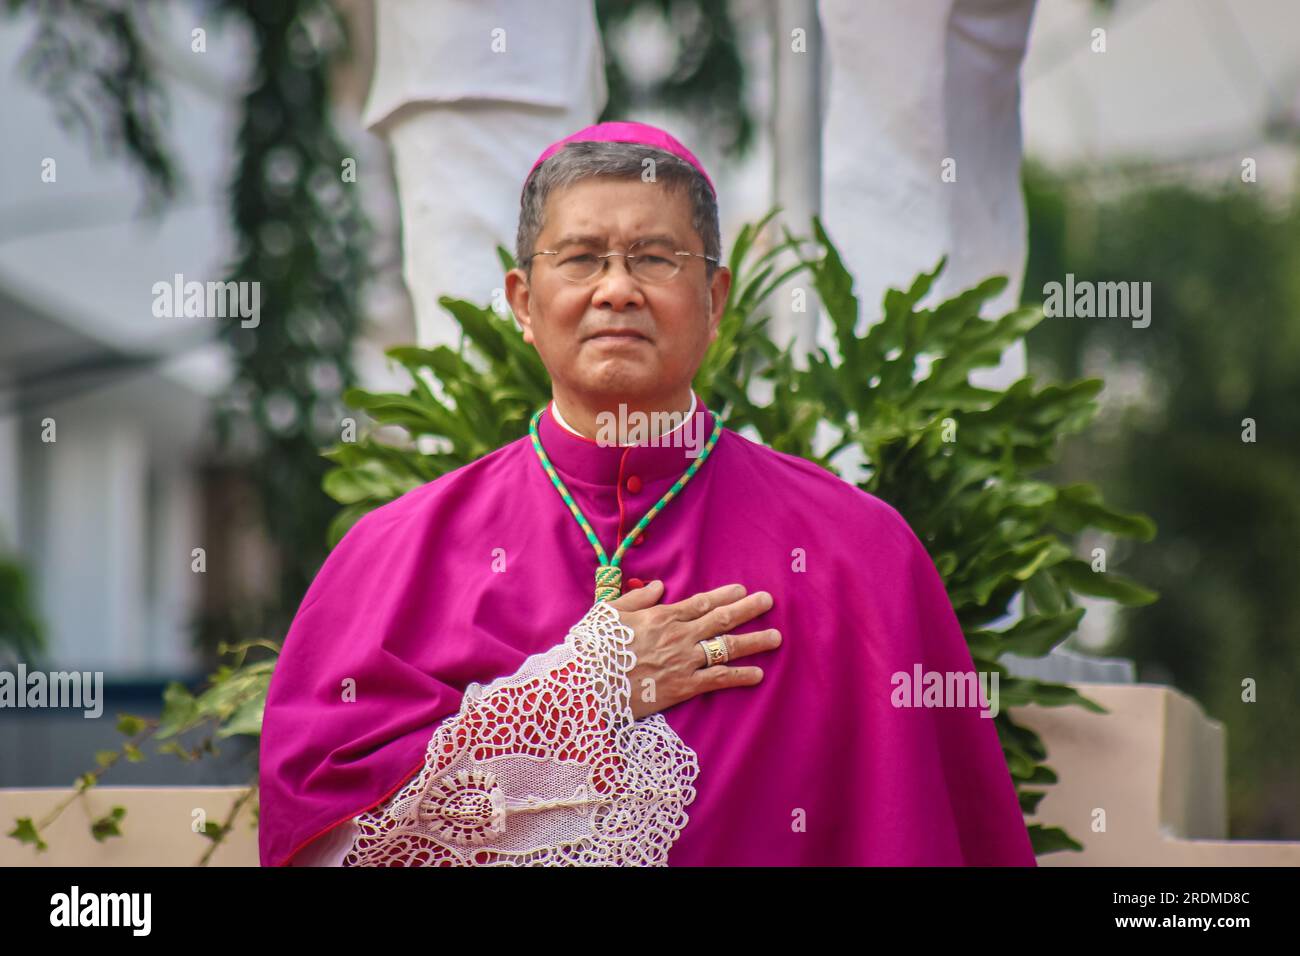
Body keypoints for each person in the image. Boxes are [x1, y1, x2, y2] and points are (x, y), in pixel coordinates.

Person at [257, 121, 1037, 867]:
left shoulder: (858, 552)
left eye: (657, 258)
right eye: (583, 258)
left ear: (715, 301)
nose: (617, 290)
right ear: (524, 302)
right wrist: (580, 695)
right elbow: (328, 843)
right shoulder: (396, 552)